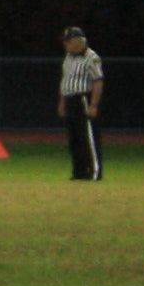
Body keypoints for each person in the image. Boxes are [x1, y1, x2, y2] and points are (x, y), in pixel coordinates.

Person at [60, 26, 106, 182]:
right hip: (70, 99)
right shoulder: (68, 57)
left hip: (83, 99)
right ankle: (79, 171)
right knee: (74, 139)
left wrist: (94, 104)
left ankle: (94, 172)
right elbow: (65, 80)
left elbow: (98, 81)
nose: (65, 45)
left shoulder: (91, 57)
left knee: (88, 137)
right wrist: (62, 102)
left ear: (77, 42)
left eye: (67, 42)